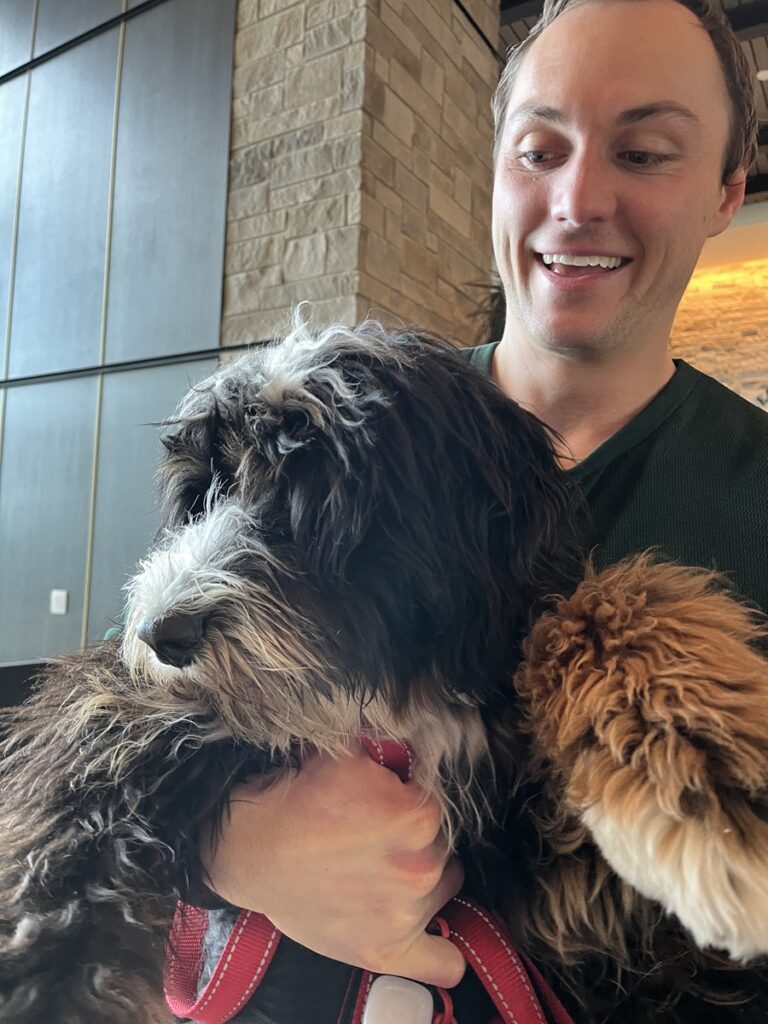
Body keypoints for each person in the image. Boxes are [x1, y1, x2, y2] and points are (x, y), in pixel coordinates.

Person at [201, 0, 768, 1016]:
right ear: (496, 167)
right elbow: (132, 690)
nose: (577, 199)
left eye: (643, 154)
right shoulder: (330, 424)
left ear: (729, 189)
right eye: (540, 151)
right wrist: (224, 840)